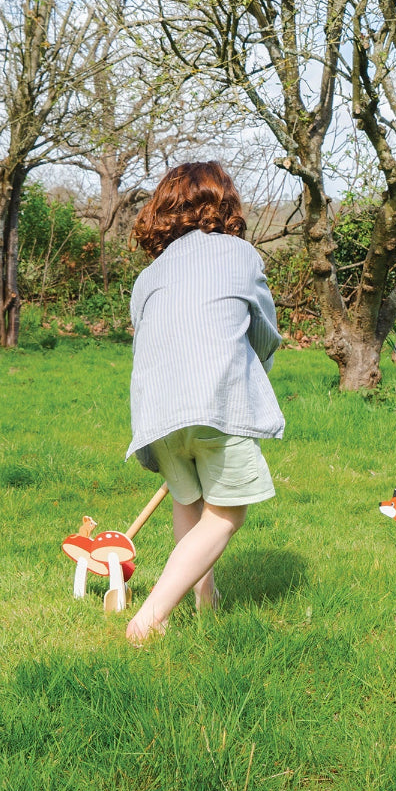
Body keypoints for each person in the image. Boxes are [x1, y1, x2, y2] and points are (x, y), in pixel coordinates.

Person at [124, 161, 284, 643]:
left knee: (187, 499)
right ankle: (149, 619)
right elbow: (262, 332)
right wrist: (251, 378)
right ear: (225, 205)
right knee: (226, 515)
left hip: (156, 411)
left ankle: (202, 599)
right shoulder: (241, 255)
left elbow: (145, 337)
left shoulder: (150, 275)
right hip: (216, 400)